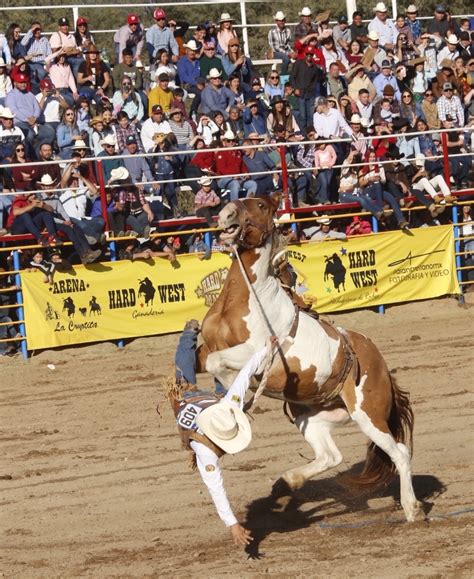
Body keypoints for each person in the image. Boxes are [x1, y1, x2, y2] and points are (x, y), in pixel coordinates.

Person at [171, 320, 275, 545]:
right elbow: (215, 488)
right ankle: (189, 335)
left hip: (212, 405)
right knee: (183, 372)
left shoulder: (231, 405)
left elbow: (246, 374)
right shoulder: (205, 452)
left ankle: (212, 341)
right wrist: (232, 524)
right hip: (192, 400)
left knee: (198, 374)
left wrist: (268, 348)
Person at [267, 11, 296, 75]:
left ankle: (294, 77)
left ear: (285, 21)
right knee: (286, 59)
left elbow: (288, 45)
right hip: (275, 53)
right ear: (276, 21)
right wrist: (289, 53)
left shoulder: (288, 31)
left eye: (283, 20)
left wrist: (292, 52)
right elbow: (275, 47)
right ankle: (283, 77)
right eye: (279, 20)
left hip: (285, 51)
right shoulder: (272, 32)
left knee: (297, 58)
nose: (281, 22)